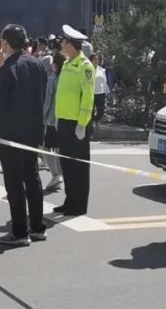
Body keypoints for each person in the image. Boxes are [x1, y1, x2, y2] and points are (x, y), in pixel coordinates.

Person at [0, 24, 49, 246]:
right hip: (32, 130)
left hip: (11, 133)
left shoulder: (9, 67)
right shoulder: (37, 64)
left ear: (5, 43)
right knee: (33, 179)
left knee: (14, 183)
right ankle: (37, 227)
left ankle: (19, 231)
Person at [54, 26, 96, 217]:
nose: (62, 45)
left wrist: (82, 123)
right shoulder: (67, 63)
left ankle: (79, 205)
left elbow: (87, 97)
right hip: (64, 121)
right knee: (67, 165)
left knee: (79, 166)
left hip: (77, 124)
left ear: (71, 45)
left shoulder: (84, 66)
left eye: (64, 42)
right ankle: (69, 200)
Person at [42, 52, 66, 192]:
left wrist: (43, 118)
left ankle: (56, 174)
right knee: (59, 149)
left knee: (46, 147)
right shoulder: (67, 78)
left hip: (52, 119)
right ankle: (59, 175)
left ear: (56, 65)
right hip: (64, 118)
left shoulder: (53, 79)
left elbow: (48, 101)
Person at [90, 51, 108, 125]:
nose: (96, 60)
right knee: (90, 111)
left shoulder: (101, 69)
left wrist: (107, 90)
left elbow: (104, 81)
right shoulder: (88, 69)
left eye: (97, 59)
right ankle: (90, 126)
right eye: (94, 59)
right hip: (91, 93)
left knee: (101, 112)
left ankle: (94, 120)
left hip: (100, 93)